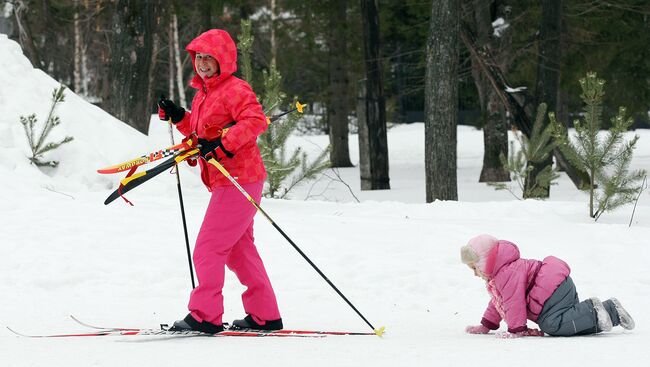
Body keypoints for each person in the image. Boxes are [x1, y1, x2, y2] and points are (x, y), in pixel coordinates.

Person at [157, 29, 282, 334]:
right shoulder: (204, 94)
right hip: (231, 179)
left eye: (209, 58)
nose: (202, 63)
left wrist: (225, 146)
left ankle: (205, 315)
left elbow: (255, 121)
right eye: (198, 57)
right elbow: (204, 135)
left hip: (239, 178)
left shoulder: (236, 88)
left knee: (208, 248)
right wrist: (179, 117)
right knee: (239, 251)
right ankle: (265, 315)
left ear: (222, 60)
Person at [461, 234, 634, 338]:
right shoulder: (502, 274)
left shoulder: (506, 273)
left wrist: (516, 330)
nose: (475, 273)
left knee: (552, 324)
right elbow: (500, 303)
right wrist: (487, 325)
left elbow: (513, 302)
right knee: (570, 325)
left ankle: (595, 309)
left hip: (552, 290)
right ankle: (611, 312)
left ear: (485, 261)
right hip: (554, 290)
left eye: (475, 268)